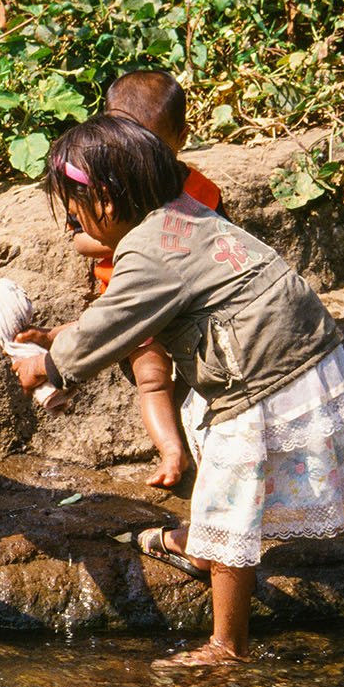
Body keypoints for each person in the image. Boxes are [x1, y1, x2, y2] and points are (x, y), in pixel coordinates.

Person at [13, 114, 344, 666]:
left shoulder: (146, 250)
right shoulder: (183, 216)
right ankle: (205, 543)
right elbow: (128, 315)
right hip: (298, 351)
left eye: (73, 210)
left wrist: (51, 364)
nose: (70, 225)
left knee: (234, 501)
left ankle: (227, 645)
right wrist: (63, 344)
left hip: (262, 376)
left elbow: (112, 324)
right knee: (221, 461)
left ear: (106, 202)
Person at [63, 70, 222, 488]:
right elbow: (80, 240)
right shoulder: (97, 186)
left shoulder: (202, 189)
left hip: (190, 304)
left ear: (180, 138)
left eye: (151, 145)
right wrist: (136, 236)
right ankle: (172, 451)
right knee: (152, 378)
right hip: (131, 299)